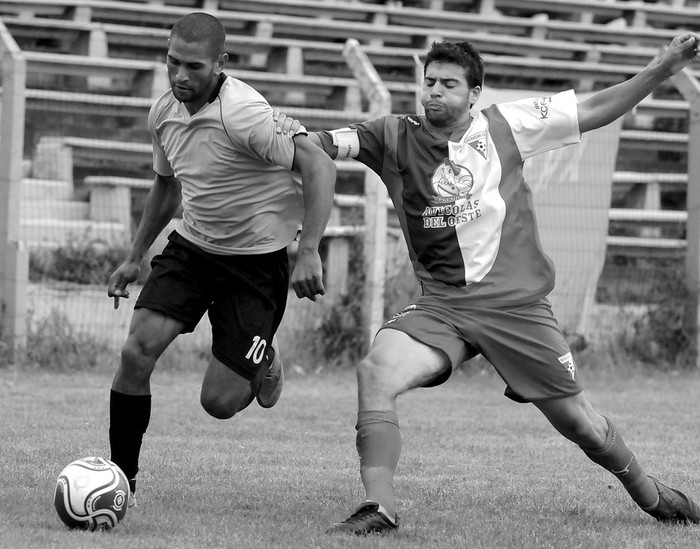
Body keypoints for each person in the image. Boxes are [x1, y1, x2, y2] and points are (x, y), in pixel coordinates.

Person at [276, 34, 700, 534]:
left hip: (515, 308)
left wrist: (662, 67)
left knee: (581, 424)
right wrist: (292, 130)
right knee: (376, 372)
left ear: (475, 93)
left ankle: (652, 496)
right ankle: (379, 507)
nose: (434, 92)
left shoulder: (510, 124)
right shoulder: (391, 134)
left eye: (449, 84)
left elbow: (598, 108)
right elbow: (322, 146)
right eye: (428, 82)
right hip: (443, 308)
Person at [106, 12, 336, 503]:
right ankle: (120, 481)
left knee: (219, 402)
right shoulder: (164, 112)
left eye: (193, 66)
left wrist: (309, 250)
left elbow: (319, 163)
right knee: (135, 352)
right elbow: (167, 186)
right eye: (172, 63)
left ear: (220, 63)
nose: (180, 77)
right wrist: (134, 256)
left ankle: (264, 358)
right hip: (193, 249)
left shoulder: (245, 113)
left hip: (255, 264)